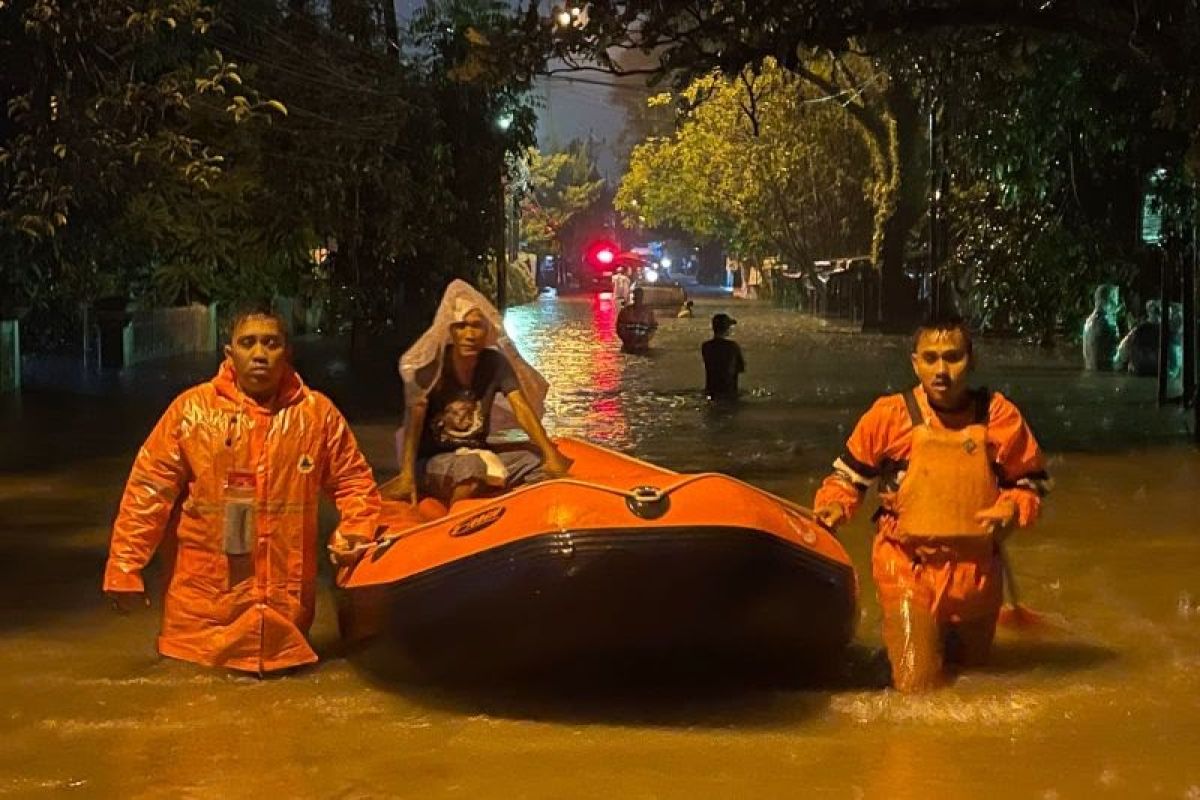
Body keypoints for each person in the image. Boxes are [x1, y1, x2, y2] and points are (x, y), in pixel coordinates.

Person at [103, 307, 381, 674]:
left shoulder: (317, 416)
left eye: (271, 343)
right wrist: (124, 568)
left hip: (285, 629)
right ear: (229, 353)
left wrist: (356, 531)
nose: (260, 354)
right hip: (200, 624)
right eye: (247, 343)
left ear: (287, 352)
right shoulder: (192, 412)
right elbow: (148, 491)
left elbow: (354, 482)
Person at [812, 317, 1050, 693]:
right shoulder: (888, 416)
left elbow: (1030, 482)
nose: (941, 370)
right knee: (916, 688)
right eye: (931, 358)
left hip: (977, 573)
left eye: (952, 358)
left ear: (971, 361)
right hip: (907, 564)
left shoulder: (999, 416)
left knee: (974, 684)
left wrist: (1013, 508)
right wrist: (835, 506)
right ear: (915, 363)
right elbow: (847, 478)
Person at [385, 280, 572, 507]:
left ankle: (496, 501)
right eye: (461, 326)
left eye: (476, 326)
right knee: (472, 468)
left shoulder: (494, 363)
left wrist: (549, 453)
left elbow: (521, 408)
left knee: (532, 459)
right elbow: (412, 420)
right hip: (434, 461)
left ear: (487, 332)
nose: (469, 334)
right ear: (451, 331)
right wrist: (406, 475)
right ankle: (456, 522)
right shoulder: (433, 368)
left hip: (477, 451)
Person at [701, 313, 745, 400]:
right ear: (727, 329)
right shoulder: (732, 346)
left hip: (711, 390)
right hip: (729, 391)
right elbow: (741, 368)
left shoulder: (706, 346)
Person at [1082, 284, 1122, 371]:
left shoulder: (1087, 322)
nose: (1117, 306)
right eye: (1114, 301)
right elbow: (1118, 356)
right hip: (1107, 374)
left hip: (1090, 370)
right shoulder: (1107, 322)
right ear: (1105, 302)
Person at [616, 286, 658, 352]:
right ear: (634, 297)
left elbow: (653, 328)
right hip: (628, 346)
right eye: (637, 296)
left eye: (639, 296)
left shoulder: (648, 312)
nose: (638, 299)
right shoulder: (626, 311)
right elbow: (619, 328)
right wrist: (628, 340)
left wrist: (644, 340)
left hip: (642, 347)